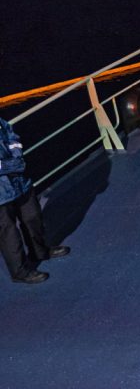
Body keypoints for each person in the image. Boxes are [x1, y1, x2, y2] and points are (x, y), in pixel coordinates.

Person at [1, 118, 70, 284]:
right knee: (8, 232)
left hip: (18, 181)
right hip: (2, 190)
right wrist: (13, 165)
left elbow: (12, 136)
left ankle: (39, 251)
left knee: (32, 216)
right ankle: (20, 271)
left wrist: (16, 157)